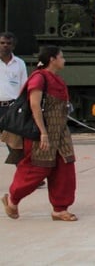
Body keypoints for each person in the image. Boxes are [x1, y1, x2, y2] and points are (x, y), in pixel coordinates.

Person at [3, 46, 77, 222]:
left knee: (64, 169)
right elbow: (35, 105)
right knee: (36, 169)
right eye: (61, 56)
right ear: (52, 59)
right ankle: (13, 199)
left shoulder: (56, 78)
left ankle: (60, 209)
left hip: (60, 132)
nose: (63, 60)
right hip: (41, 132)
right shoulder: (39, 78)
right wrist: (43, 133)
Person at [1, 32, 28, 163]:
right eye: (2, 43)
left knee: (15, 144)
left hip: (11, 108)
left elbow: (24, 85)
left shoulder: (19, 63)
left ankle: (25, 175)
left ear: (13, 46)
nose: (5, 46)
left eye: (8, 43)